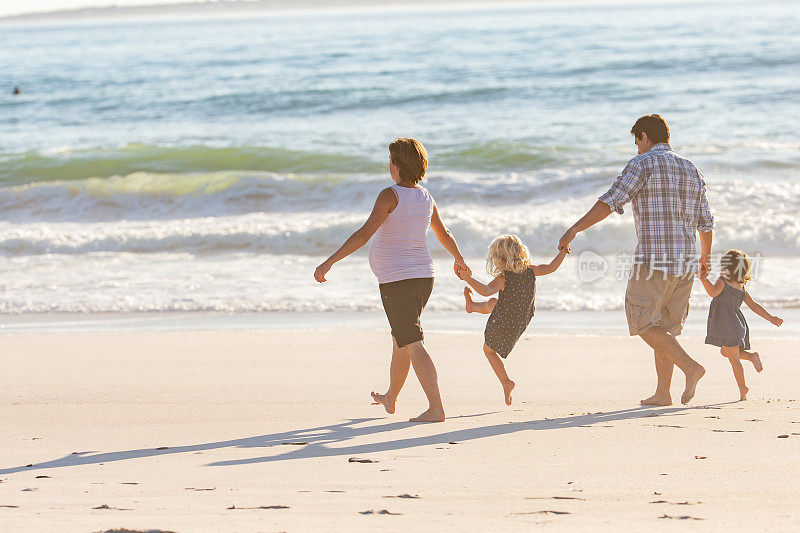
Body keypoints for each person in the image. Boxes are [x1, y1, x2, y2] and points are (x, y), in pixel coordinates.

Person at [558, 114, 714, 406]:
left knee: (642, 322)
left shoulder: (642, 164)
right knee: (663, 328)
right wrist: (705, 259)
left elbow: (610, 201)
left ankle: (691, 367)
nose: (636, 148)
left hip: (654, 260)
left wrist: (574, 229)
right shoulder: (691, 168)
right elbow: (705, 221)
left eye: (636, 142)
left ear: (645, 137)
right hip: (686, 262)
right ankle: (663, 393)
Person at [314, 138, 467, 422]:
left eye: (390, 160)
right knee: (402, 339)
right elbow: (444, 234)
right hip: (423, 278)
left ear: (396, 166)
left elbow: (363, 234)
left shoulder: (390, 195)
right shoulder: (426, 197)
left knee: (413, 341)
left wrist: (330, 260)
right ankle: (391, 397)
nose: (389, 165)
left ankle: (436, 408)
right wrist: (459, 259)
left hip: (398, 281)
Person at [459, 235, 567, 405]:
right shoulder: (532, 270)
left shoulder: (504, 278)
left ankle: (506, 382)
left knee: (489, 351)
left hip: (504, 321)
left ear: (499, 259)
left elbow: (486, 290)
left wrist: (468, 278)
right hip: (522, 317)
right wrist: (563, 252)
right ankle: (472, 306)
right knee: (494, 303)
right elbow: (551, 267)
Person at [700, 249, 783, 400]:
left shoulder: (722, 282)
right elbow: (754, 306)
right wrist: (771, 318)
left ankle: (742, 388)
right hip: (735, 324)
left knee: (734, 360)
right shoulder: (741, 286)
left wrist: (703, 279)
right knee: (725, 352)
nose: (721, 269)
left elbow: (712, 292)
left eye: (723, 266)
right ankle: (752, 357)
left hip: (728, 325)